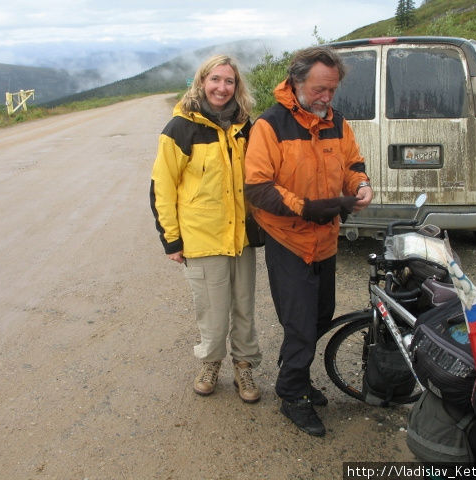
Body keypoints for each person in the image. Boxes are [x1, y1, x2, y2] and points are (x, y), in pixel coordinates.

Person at [244, 46, 373, 436]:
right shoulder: (270, 125)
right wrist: (307, 208)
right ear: (297, 82)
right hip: (290, 241)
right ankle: (292, 395)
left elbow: (352, 164)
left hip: (326, 240)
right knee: (300, 323)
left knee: (319, 315)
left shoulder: (337, 122)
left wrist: (361, 185)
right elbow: (257, 187)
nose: (326, 98)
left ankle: (295, 376)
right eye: (319, 90)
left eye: (331, 90)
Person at [150, 55, 262, 403]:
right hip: (202, 238)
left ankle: (244, 367)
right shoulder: (180, 128)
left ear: (236, 87)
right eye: (215, 80)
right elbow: (162, 188)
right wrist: (172, 239)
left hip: (240, 237)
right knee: (212, 311)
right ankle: (210, 363)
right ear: (201, 82)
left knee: (244, 307)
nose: (222, 88)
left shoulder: (247, 126)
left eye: (229, 81)